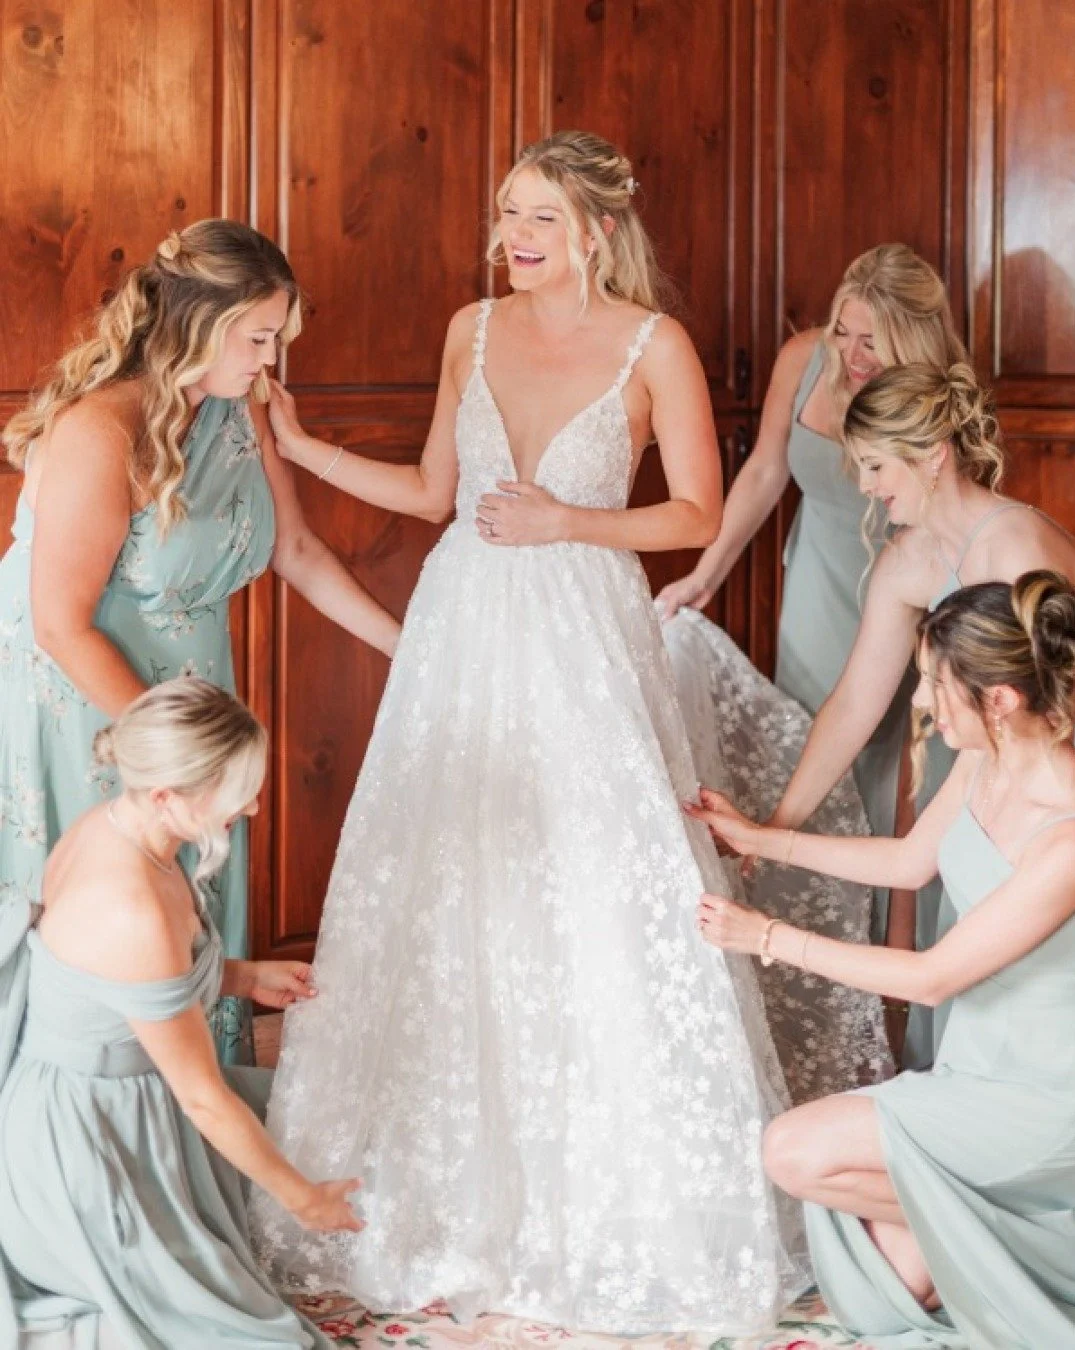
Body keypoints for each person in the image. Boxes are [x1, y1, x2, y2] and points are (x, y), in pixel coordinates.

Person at [248, 130, 809, 1335]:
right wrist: (304, 449)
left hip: (584, 636)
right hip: (463, 630)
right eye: (507, 213)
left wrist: (568, 520)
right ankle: (433, 1198)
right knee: (449, 881)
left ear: (597, 231)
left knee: (596, 886)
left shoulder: (656, 346)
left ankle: (614, 1204)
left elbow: (698, 513)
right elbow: (436, 495)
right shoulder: (471, 328)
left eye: (539, 218)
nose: (513, 238)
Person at [0, 219, 399, 1061]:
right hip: (92, 709)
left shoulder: (235, 416)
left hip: (196, 702)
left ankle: (191, 1113)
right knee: (117, 911)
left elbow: (295, 551)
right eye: (258, 338)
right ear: (198, 325)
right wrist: (182, 751)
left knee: (192, 898)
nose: (269, 362)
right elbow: (60, 625)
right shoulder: (97, 431)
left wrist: (409, 651)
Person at [686, 572, 1075, 1350]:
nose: (923, 700)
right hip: (976, 1071)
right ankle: (1025, 1234)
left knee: (791, 1150)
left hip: (1048, 1099)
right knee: (887, 1285)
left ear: (998, 699)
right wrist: (760, 838)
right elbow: (908, 862)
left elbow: (933, 976)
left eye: (936, 682)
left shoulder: (1069, 836)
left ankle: (1054, 1233)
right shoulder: (984, 759)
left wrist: (765, 938)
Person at [656, 246, 966, 1095]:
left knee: (906, 799)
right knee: (815, 768)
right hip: (820, 596)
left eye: (873, 340)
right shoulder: (804, 361)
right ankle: (819, 1006)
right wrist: (707, 574)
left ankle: (910, 1022)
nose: (853, 354)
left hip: (909, 599)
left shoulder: (932, 396)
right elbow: (761, 474)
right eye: (843, 330)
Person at [0, 678, 363, 1349]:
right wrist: (304, 1199)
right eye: (236, 792)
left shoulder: (109, 825)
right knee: (240, 1326)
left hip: (109, 1097)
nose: (253, 805)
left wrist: (243, 977)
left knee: (319, 1109)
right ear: (168, 796)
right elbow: (202, 1099)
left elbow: (115, 990)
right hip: (86, 1147)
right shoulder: (131, 906)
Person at [761, 360, 1075, 1068]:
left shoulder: (1014, 549)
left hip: (1048, 781)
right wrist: (779, 825)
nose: (866, 486)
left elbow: (1034, 712)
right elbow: (850, 707)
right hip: (976, 764)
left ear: (933, 458)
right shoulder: (907, 562)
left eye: (876, 466)